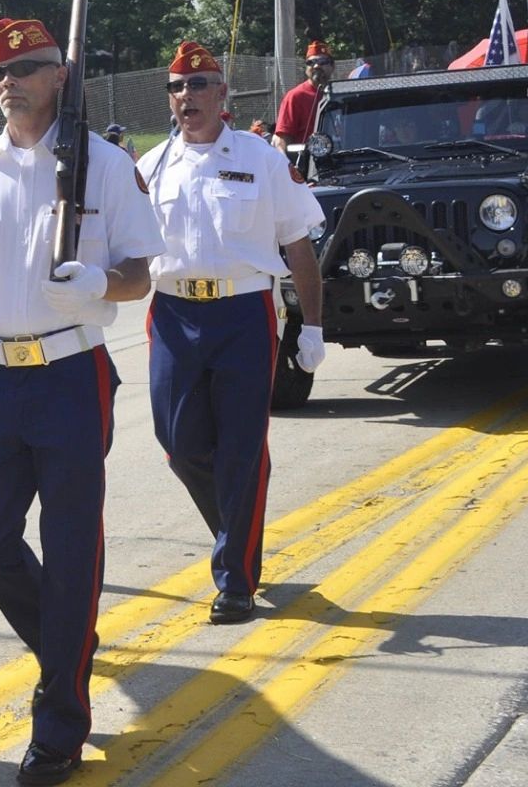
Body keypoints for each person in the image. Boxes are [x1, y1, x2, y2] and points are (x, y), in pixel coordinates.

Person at [0, 17, 162, 787]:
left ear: (61, 74)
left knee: (72, 547)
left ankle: (58, 724)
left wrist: (100, 283)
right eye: (0, 70)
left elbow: (140, 274)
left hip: (70, 374)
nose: (9, 81)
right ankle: (67, 648)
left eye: (25, 68)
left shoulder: (105, 166)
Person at [137, 43, 324, 625]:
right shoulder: (150, 167)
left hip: (243, 313)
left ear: (222, 93)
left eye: (198, 84)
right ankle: (237, 531)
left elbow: (298, 244)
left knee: (241, 448)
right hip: (173, 314)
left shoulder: (260, 159)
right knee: (180, 445)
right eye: (176, 86)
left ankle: (235, 580)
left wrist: (313, 325)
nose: (186, 96)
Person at [271, 41, 334, 153]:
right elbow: (282, 140)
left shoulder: (340, 95)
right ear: (306, 68)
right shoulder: (295, 96)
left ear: (332, 66)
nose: (316, 66)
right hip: (307, 162)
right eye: (311, 62)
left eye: (322, 61)